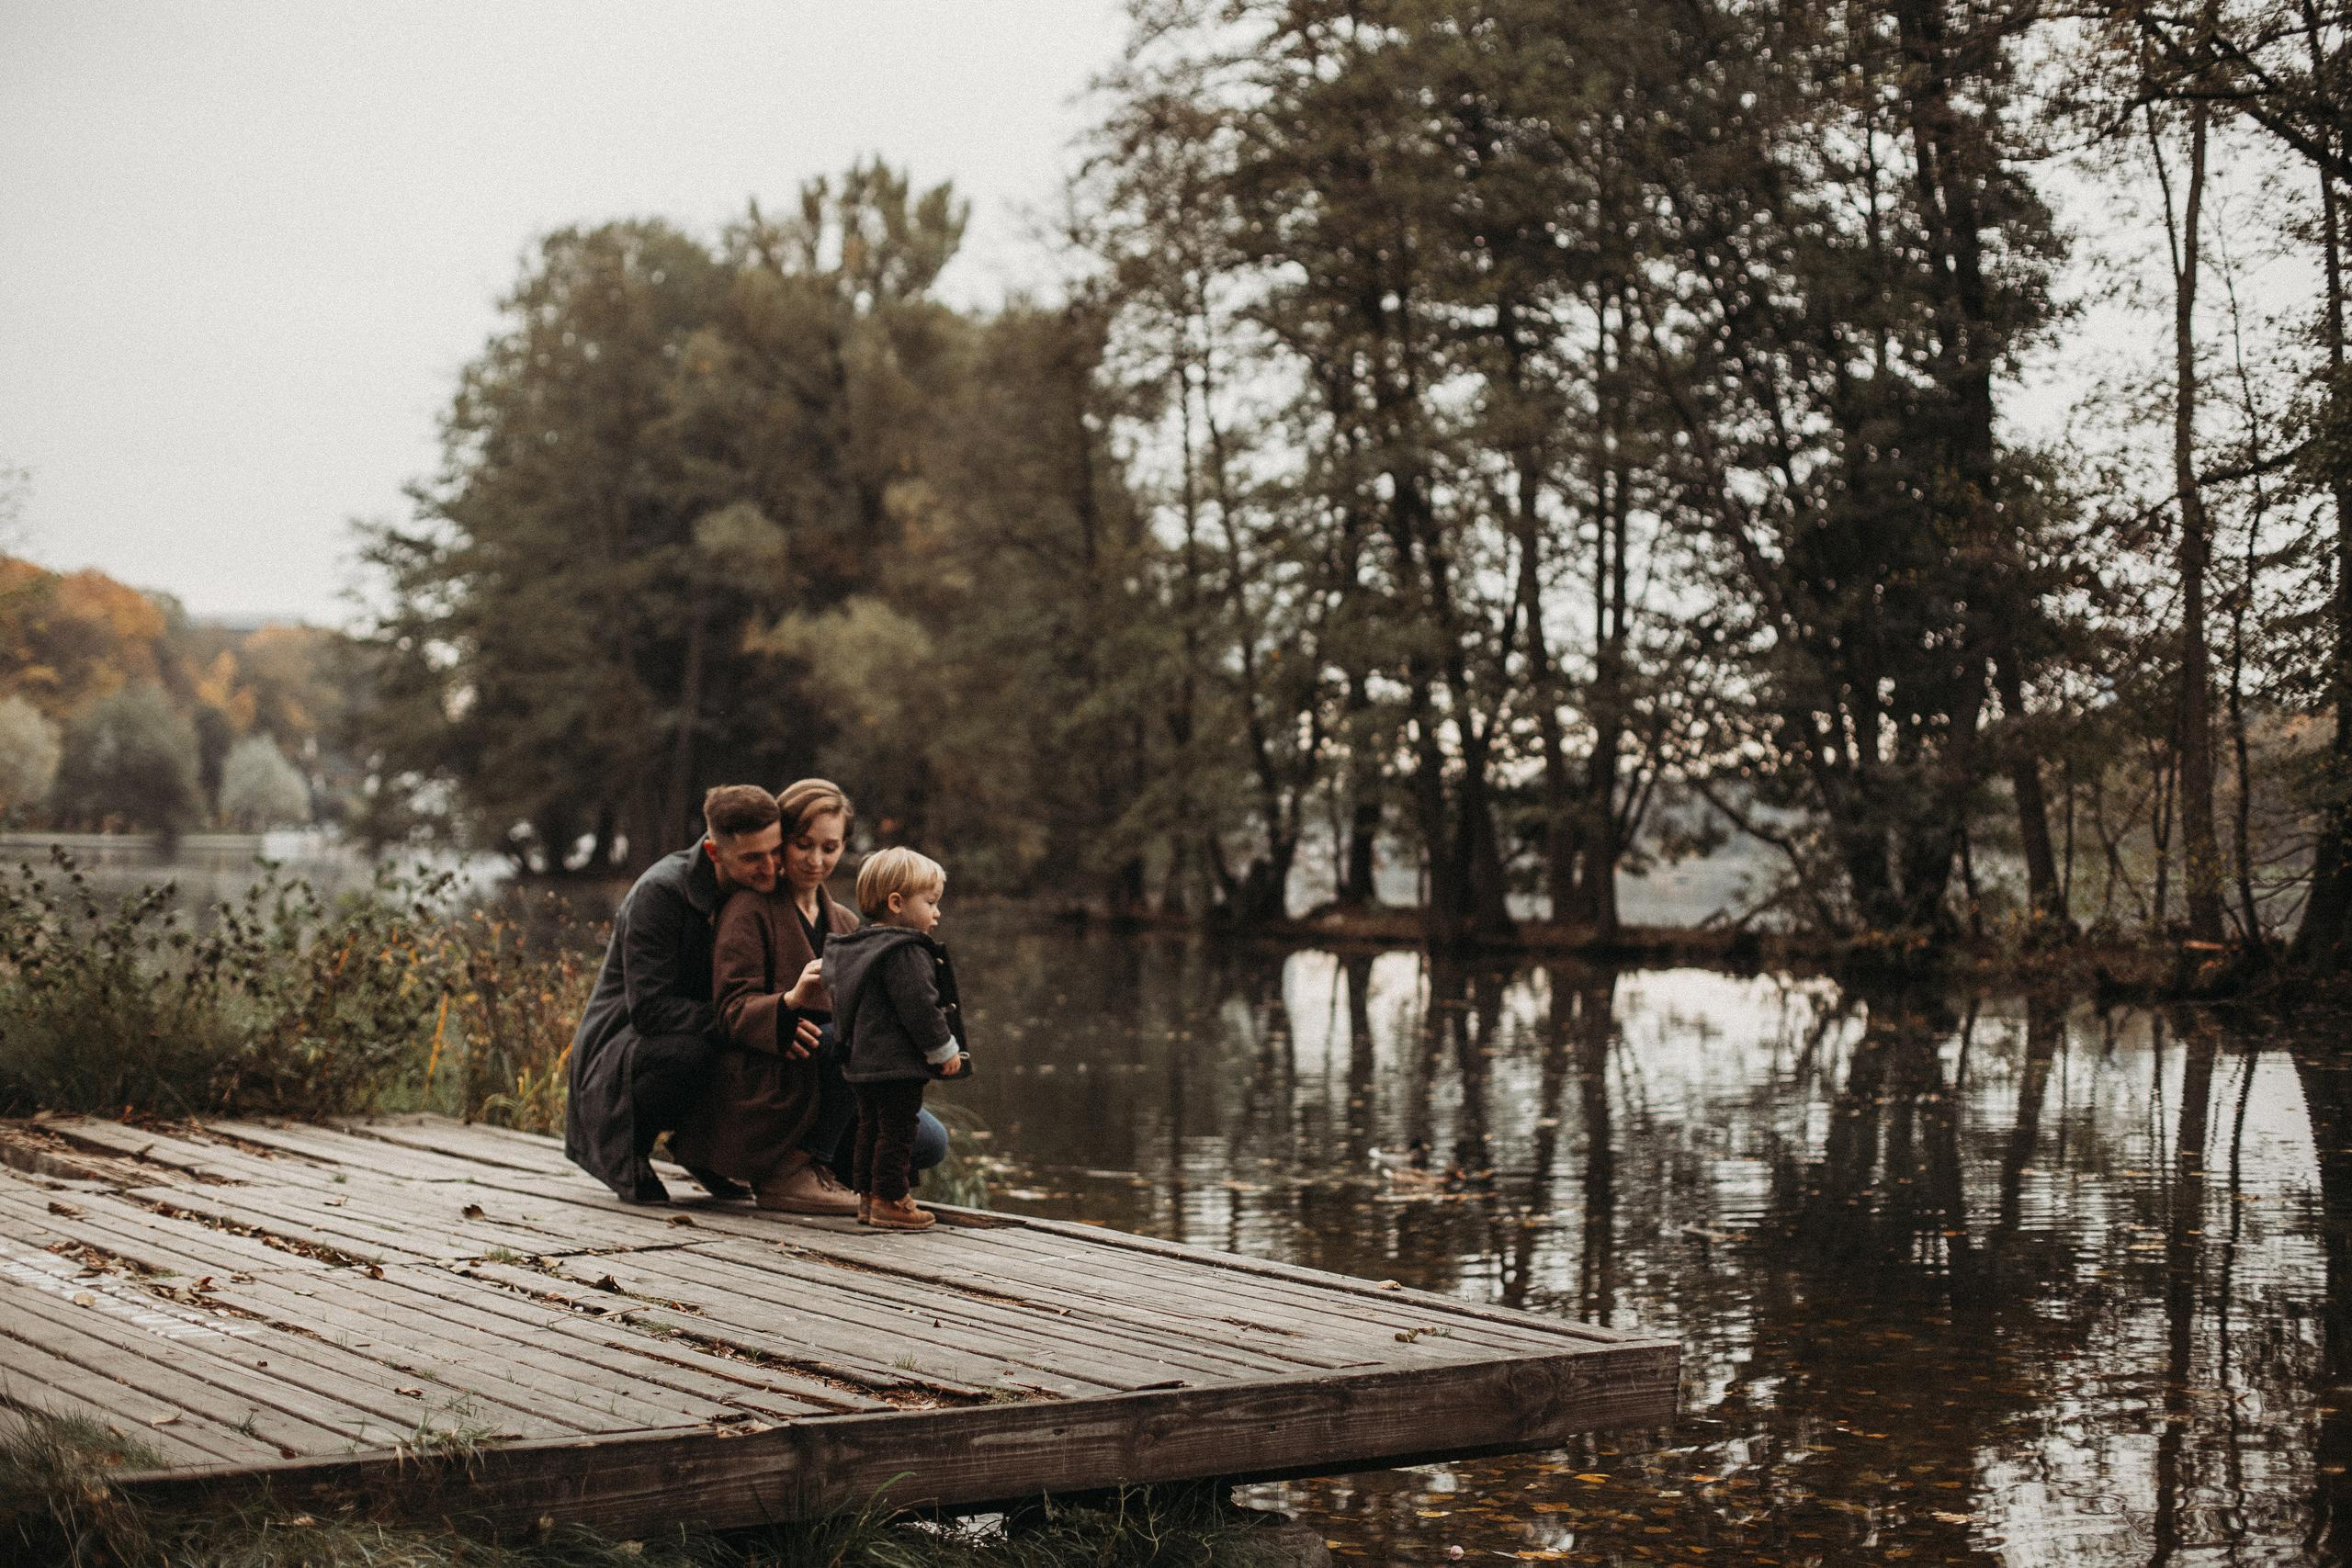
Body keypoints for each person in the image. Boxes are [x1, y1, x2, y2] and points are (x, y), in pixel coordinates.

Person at [670, 779, 946, 1213]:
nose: (816, 861)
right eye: (802, 845)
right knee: (844, 1039)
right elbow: (729, 1011)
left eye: (830, 847)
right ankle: (789, 1172)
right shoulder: (748, 908)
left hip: (831, 1081)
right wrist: (789, 1002)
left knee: (929, 1142)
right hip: (769, 1079)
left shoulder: (845, 921)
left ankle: (827, 1174)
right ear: (783, 842)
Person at [564, 784, 820, 1204]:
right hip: (620, 1047)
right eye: (753, 858)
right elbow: (650, 1011)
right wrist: (751, 1023)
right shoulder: (659, 893)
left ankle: (709, 1154)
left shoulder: (758, 885)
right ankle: (628, 1152)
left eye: (775, 852)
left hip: (699, 1027)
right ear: (715, 853)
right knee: (690, 1056)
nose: (771, 868)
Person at [821, 846, 971, 1232]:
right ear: (897, 903)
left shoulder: (857, 947)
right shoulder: (904, 951)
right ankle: (891, 1199)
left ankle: (868, 1198)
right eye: (931, 902)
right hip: (895, 1065)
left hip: (860, 1064)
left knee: (870, 1129)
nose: (937, 912)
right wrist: (945, 1051)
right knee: (898, 1131)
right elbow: (922, 1007)